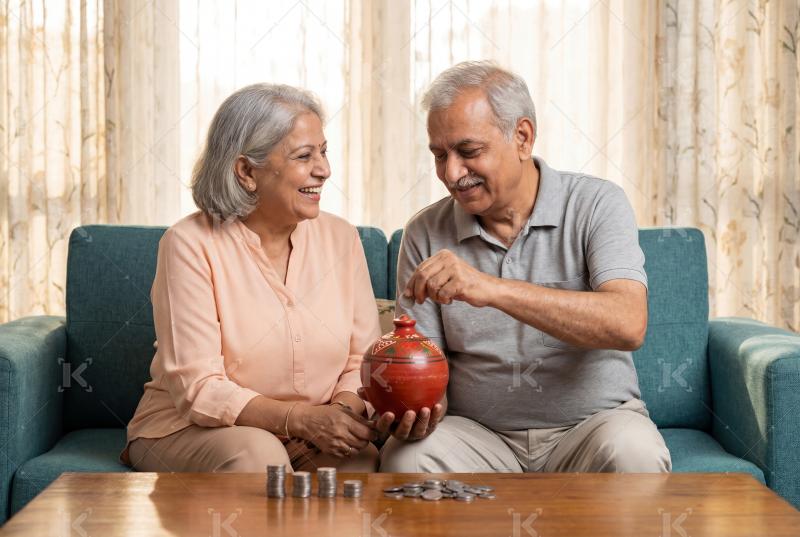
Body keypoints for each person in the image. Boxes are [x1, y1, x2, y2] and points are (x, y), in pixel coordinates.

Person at [376, 61, 671, 474]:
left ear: (522, 137)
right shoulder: (425, 231)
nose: (451, 173)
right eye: (440, 156)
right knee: (406, 459)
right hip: (478, 435)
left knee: (635, 453)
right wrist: (419, 408)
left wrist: (491, 289)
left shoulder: (597, 204)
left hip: (593, 426)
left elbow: (628, 324)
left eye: (468, 152)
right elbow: (429, 366)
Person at [123, 83, 381, 473]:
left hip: (308, 431)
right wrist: (300, 420)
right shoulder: (188, 244)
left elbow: (363, 359)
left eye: (324, 152)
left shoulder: (341, 238)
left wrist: (340, 416)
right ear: (246, 171)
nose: (324, 170)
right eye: (304, 156)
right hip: (191, 427)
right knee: (259, 457)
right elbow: (199, 387)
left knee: (357, 464)